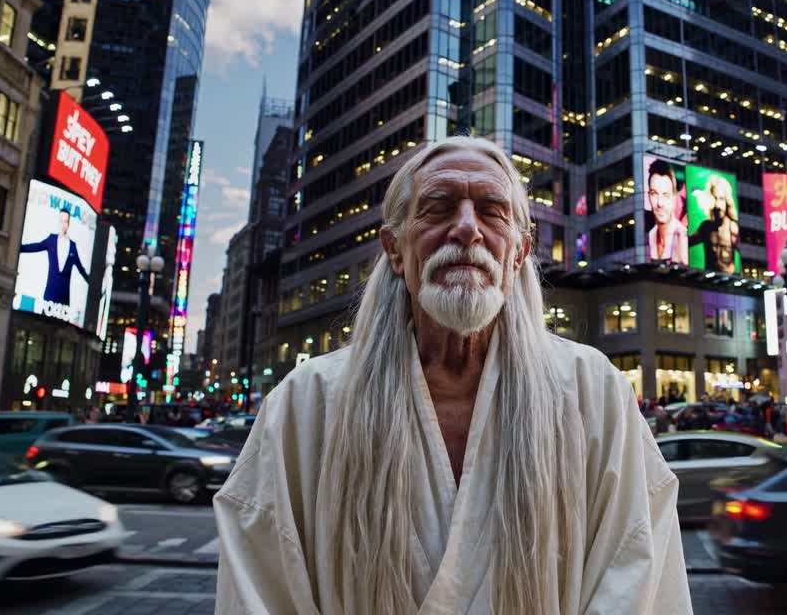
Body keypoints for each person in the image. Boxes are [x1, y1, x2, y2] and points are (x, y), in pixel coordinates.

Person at [214, 137, 691, 614]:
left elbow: (635, 571)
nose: (466, 229)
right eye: (438, 209)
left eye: (491, 211)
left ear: (519, 253)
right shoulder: (307, 403)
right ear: (395, 250)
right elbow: (261, 583)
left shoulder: (593, 391)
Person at [18, 207, 90, 306]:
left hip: (64, 299)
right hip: (50, 295)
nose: (63, 224)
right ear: (58, 222)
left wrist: (93, 284)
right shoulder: (51, 240)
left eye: (66, 222)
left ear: (68, 224)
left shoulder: (73, 246)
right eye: (61, 221)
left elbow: (81, 269)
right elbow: (35, 246)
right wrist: (18, 248)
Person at [690, 174, 741, 274]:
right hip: (708, 282)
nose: (718, 205)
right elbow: (686, 242)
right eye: (715, 198)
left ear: (727, 201)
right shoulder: (706, 227)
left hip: (730, 282)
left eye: (721, 199)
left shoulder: (733, 227)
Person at [645, 159, 688, 264]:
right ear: (648, 196)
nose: (660, 203)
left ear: (675, 197)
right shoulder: (649, 235)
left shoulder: (683, 238)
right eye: (654, 193)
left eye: (666, 195)